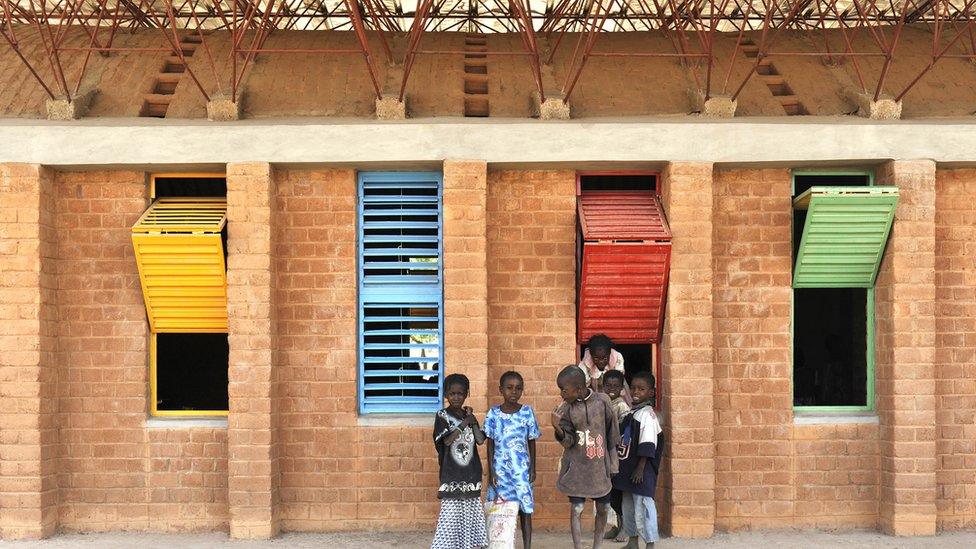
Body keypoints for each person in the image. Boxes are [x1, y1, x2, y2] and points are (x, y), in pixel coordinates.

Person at [551, 365, 620, 549]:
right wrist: (557, 427)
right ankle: (578, 547)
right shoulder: (565, 409)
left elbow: (612, 435)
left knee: (604, 508)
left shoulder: (603, 401)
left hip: (599, 469)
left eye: (564, 390)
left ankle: (597, 546)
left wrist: (614, 464)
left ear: (579, 389)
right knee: (577, 509)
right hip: (577, 469)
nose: (561, 394)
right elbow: (568, 442)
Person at [431, 373, 489, 549]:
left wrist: (472, 422)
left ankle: (466, 545)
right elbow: (447, 441)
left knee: (470, 514)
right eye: (452, 393)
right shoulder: (442, 415)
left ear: (466, 394)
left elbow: (480, 440)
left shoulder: (468, 415)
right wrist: (464, 423)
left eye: (460, 393)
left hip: (471, 472)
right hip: (451, 474)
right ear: (446, 395)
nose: (456, 397)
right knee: (450, 515)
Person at [484, 371, 541, 549]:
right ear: (501, 389)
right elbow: (489, 445)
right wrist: (491, 471)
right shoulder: (493, 414)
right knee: (500, 510)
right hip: (500, 471)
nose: (513, 392)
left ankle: (527, 546)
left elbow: (531, 441)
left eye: (518, 388)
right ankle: (499, 544)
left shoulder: (527, 412)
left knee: (525, 510)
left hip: (521, 471)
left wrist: (532, 468)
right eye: (509, 388)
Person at [613, 371, 663, 549]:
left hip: (640, 472)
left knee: (644, 507)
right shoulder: (633, 413)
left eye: (641, 389)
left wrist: (640, 468)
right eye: (633, 388)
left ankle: (650, 543)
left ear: (650, 393)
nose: (635, 392)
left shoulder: (647, 416)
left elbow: (648, 443)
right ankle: (632, 541)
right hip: (628, 471)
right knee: (628, 507)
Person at [601, 369, 631, 542]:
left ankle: (625, 528)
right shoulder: (602, 403)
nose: (611, 388)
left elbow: (626, 433)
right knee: (610, 495)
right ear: (603, 387)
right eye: (608, 385)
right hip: (604, 455)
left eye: (615, 386)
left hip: (618, 456)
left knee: (618, 494)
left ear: (621, 388)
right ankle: (617, 526)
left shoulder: (622, 406)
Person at [578, 334, 631, 404]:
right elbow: (583, 382)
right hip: (595, 386)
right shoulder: (586, 362)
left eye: (605, 358)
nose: (601, 361)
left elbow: (618, 377)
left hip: (615, 384)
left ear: (609, 354)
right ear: (591, 355)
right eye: (596, 358)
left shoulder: (616, 357)